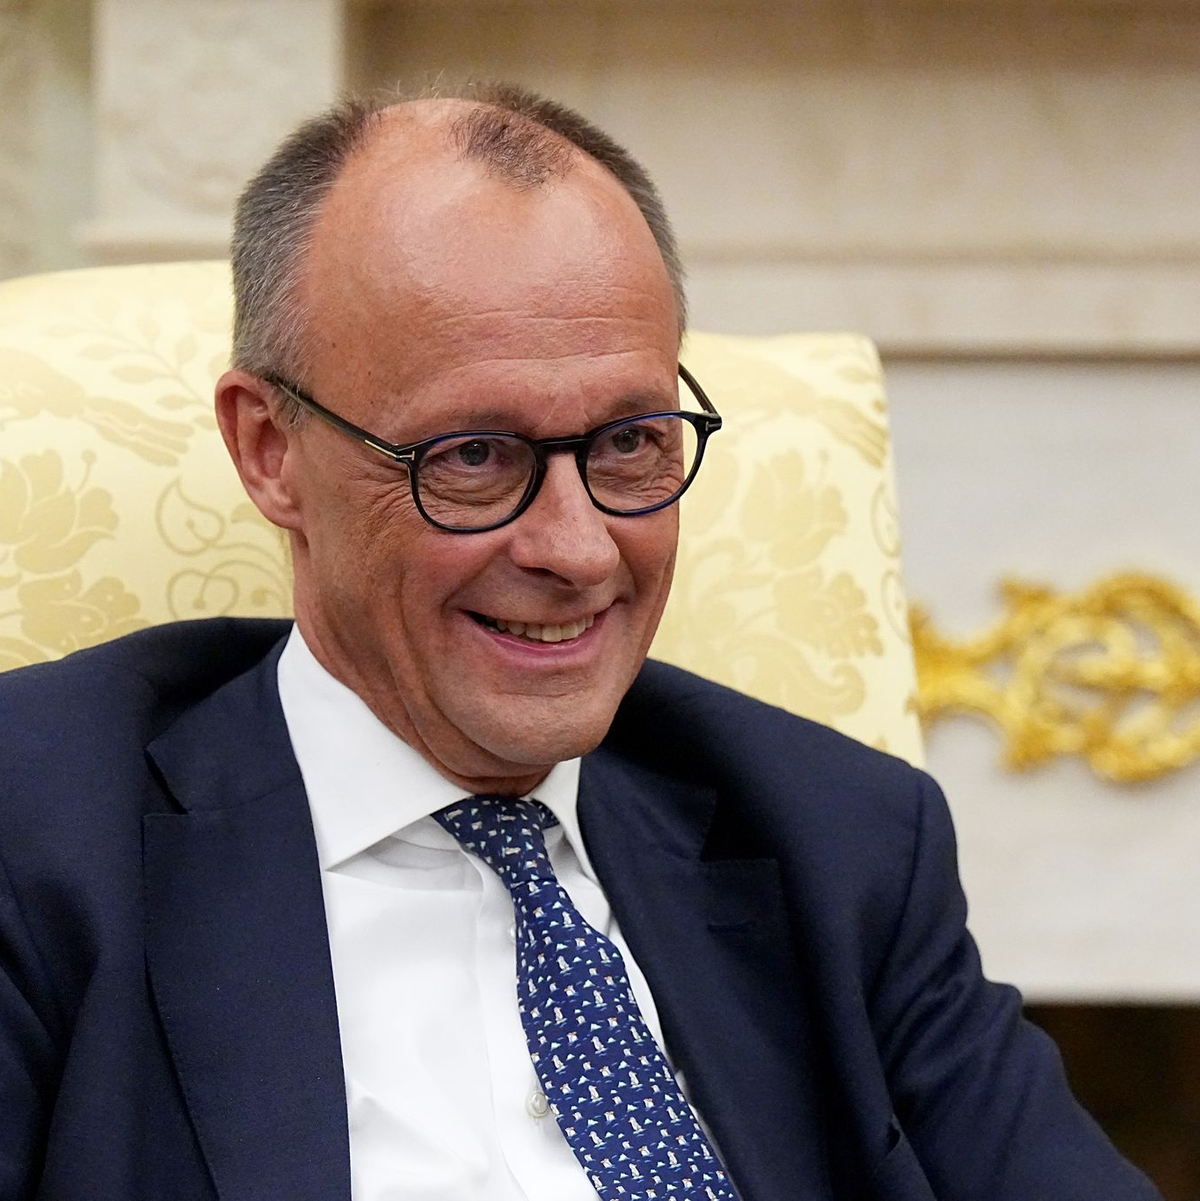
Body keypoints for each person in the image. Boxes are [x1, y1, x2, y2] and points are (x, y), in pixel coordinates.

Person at [0, 84, 1160, 1201]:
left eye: (630, 443)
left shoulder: (841, 841)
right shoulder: (44, 829)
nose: (581, 548)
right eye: (471, 456)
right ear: (270, 450)